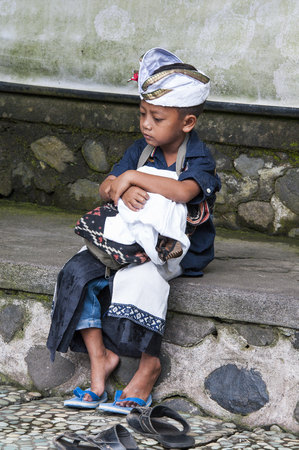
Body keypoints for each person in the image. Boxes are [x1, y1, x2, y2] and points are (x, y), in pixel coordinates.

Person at [47, 47, 221, 412]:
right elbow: (106, 188)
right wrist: (121, 187)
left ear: (186, 123)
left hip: (172, 250)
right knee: (76, 273)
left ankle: (147, 366)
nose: (146, 125)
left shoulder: (199, 157)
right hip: (125, 241)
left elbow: (184, 190)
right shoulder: (141, 150)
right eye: (142, 114)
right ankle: (100, 361)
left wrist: (131, 178)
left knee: (141, 282)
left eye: (156, 118)